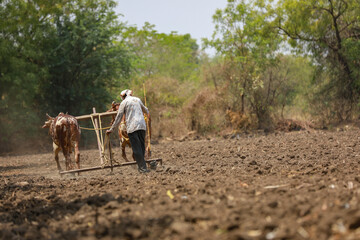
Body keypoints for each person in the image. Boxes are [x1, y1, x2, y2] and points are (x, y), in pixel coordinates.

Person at [106, 89, 150, 173]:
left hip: (132, 127)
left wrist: (111, 129)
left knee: (136, 149)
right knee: (141, 147)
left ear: (123, 96)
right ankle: (142, 167)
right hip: (142, 126)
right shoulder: (137, 99)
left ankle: (142, 168)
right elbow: (146, 110)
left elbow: (119, 117)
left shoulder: (124, 103)